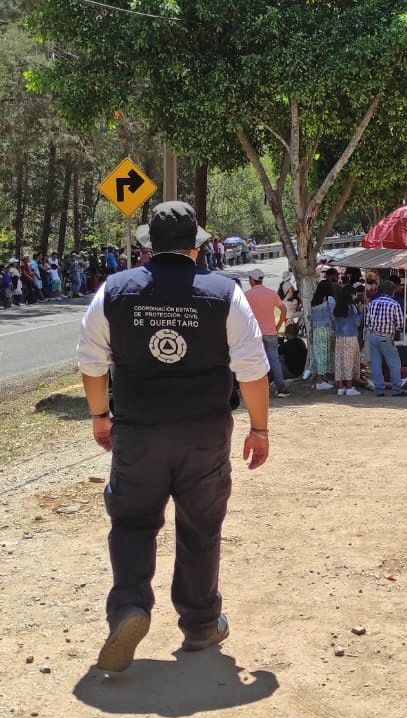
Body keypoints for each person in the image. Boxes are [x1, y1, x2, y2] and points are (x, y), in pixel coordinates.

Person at [75, 200, 270, 672]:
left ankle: (129, 609)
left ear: (148, 246)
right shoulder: (225, 293)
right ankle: (201, 625)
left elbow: (90, 363)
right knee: (201, 527)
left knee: (133, 523)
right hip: (204, 434)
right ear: (198, 246)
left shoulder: (114, 292)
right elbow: (253, 369)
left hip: (138, 433)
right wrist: (259, 428)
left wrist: (101, 416)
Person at [245, 269, 290, 398]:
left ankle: (260, 389)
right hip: (271, 331)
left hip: (255, 334)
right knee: (274, 360)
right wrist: (279, 325)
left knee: (258, 362)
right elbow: (283, 309)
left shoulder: (247, 295)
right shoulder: (271, 293)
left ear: (253, 280)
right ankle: (281, 388)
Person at [364, 280, 407, 397]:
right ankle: (396, 389)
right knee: (394, 363)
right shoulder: (394, 304)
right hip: (386, 336)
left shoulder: (372, 303)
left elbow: (367, 322)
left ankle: (379, 389)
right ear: (392, 291)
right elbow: (400, 324)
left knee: (375, 363)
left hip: (373, 335)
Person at [308, 277, 337, 390]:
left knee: (319, 355)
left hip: (316, 330)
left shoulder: (314, 301)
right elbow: (333, 316)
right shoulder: (330, 300)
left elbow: (312, 319)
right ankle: (323, 380)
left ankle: (321, 379)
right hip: (327, 329)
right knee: (328, 354)